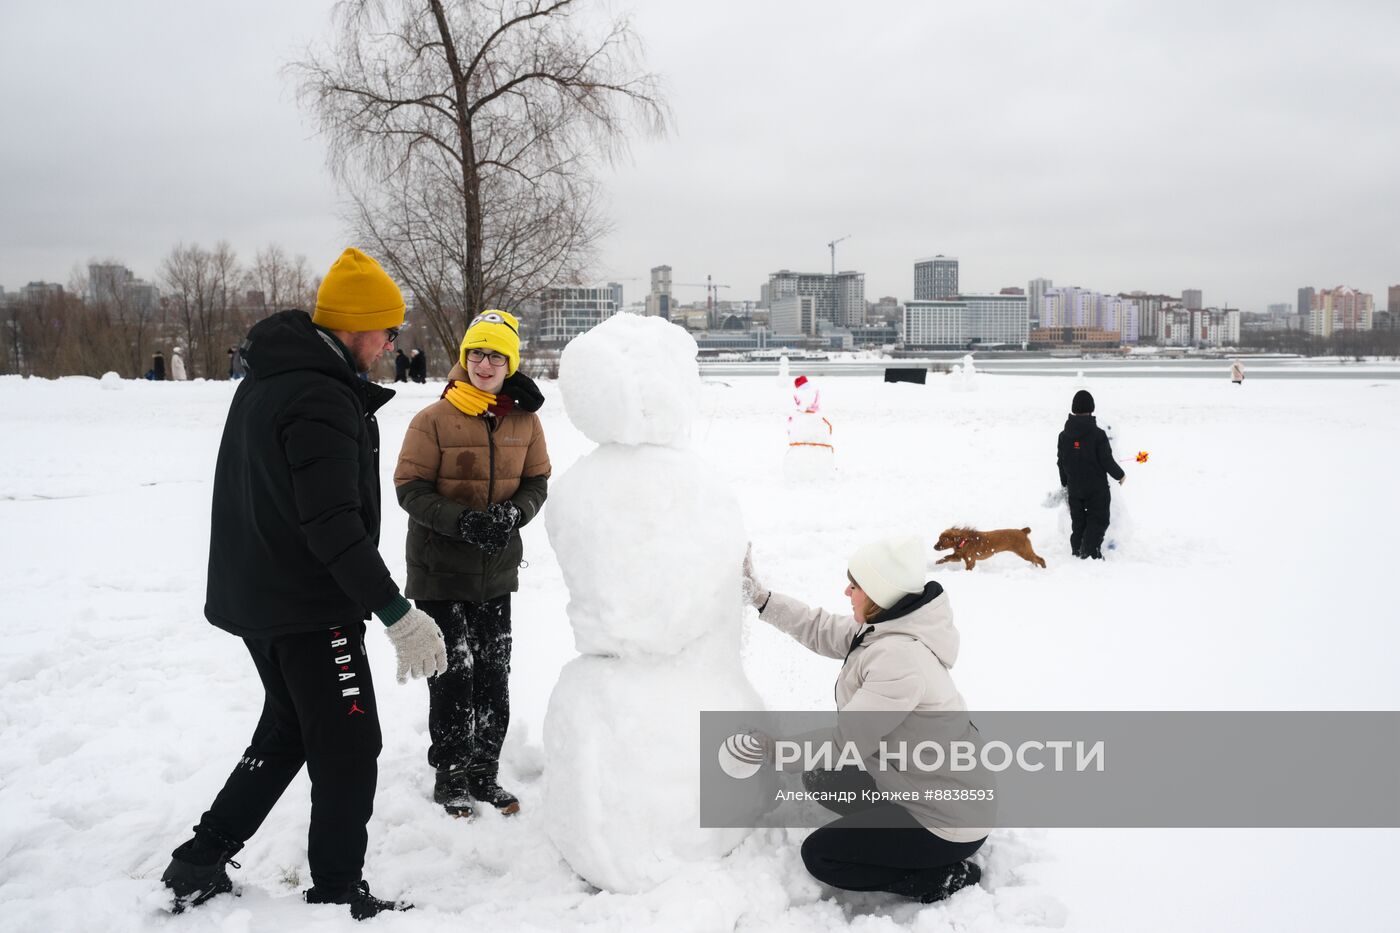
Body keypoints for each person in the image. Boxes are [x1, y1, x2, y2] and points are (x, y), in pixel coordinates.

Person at [158, 247, 449, 921]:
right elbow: (332, 528)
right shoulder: (319, 394)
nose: (389, 345)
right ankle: (339, 891)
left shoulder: (275, 375)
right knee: (350, 745)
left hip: (262, 595)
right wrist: (396, 612)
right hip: (307, 603)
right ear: (354, 327)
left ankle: (200, 859)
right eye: (385, 331)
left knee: (290, 728)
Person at [741, 536, 989, 904]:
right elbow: (819, 628)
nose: (847, 591)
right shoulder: (886, 626)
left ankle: (945, 875)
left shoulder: (900, 660)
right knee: (822, 777)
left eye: (855, 586)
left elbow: (844, 742)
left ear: (878, 593)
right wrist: (760, 598)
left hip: (948, 820)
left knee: (822, 855)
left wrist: (776, 752)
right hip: (926, 787)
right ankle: (894, 829)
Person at [394, 310, 551, 818]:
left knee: (493, 671)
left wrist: (514, 512)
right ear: (465, 359)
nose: (485, 364)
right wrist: (461, 522)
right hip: (439, 569)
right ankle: (451, 773)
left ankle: (485, 771)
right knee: (452, 673)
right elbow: (410, 488)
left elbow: (537, 482)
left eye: (496, 355)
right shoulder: (433, 419)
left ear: (511, 362)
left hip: (496, 571)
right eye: (477, 354)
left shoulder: (525, 420)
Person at [1056, 389, 1125, 560]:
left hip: (1075, 488)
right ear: (1091, 409)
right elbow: (1106, 460)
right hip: (1096, 488)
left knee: (1078, 522)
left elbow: (1061, 461)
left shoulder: (1063, 436)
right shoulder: (1098, 435)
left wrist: (1065, 482)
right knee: (1099, 519)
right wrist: (1120, 475)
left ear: (1073, 409)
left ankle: (1077, 551)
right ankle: (1090, 552)